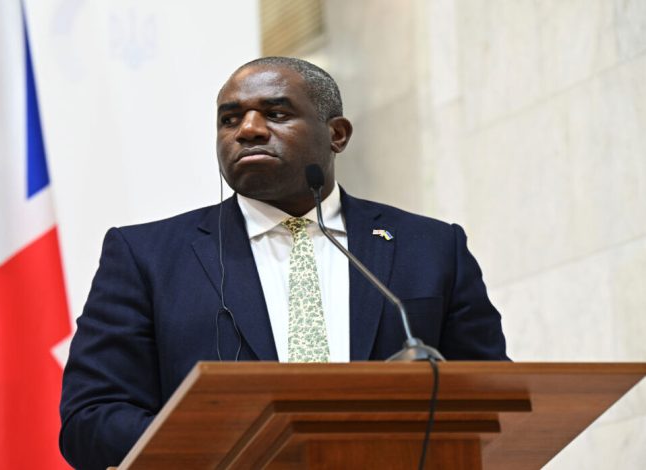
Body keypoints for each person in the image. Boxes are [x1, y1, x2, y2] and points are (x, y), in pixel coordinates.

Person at [59, 57, 508, 469]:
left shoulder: (430, 247)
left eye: (275, 114)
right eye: (229, 119)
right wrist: (226, 443)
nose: (248, 130)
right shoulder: (147, 256)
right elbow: (91, 420)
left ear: (337, 134)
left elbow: (492, 401)